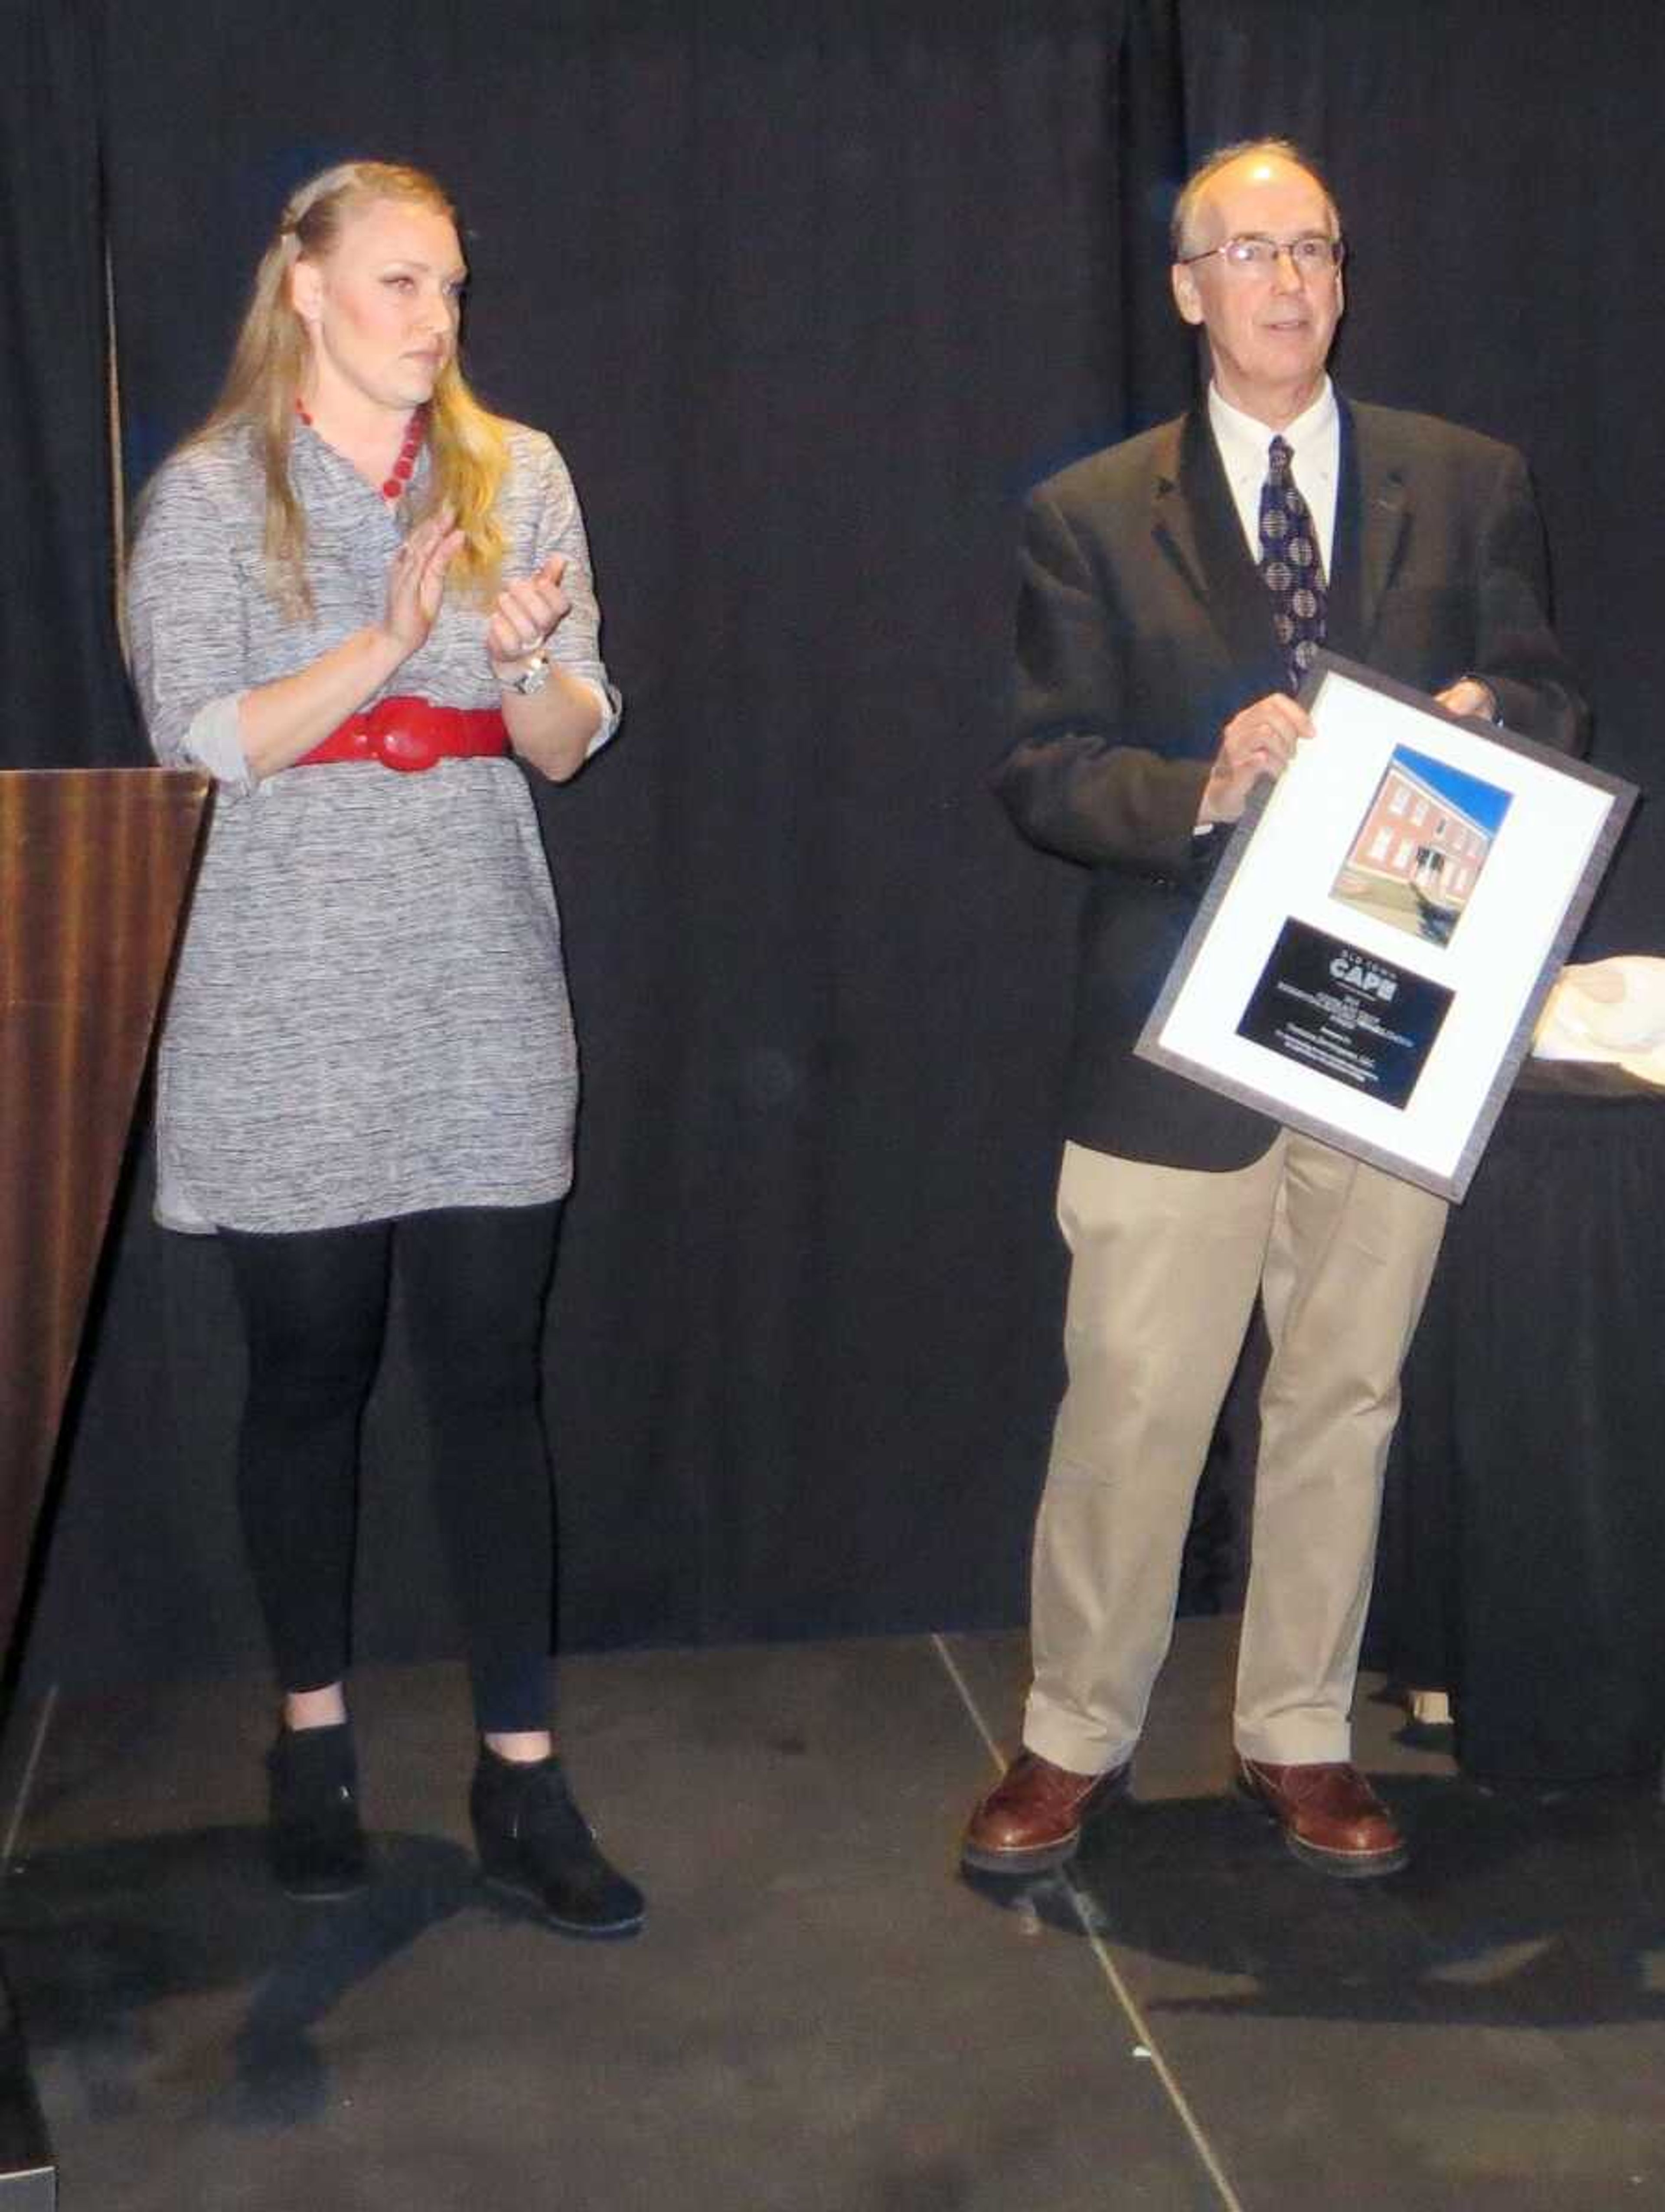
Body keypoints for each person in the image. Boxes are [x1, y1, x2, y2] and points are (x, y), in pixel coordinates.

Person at [962, 140, 1587, 1882]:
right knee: (1139, 1396)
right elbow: (1041, 772)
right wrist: (1205, 781)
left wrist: (1484, 714)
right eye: (1249, 253)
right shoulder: (1086, 515)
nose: (1289, 282)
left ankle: (1298, 1729)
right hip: (1172, 1037)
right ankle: (1075, 1729)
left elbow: (1550, 689)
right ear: (1187, 289)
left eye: (1314, 248)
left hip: (1388, 1019)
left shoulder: (1469, 483)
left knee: (1345, 1388)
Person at [126, 160, 643, 1936]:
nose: (438, 321)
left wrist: (520, 667)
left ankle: (521, 1773)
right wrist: (392, 642)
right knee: (309, 1374)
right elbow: (205, 736)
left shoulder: (521, 473)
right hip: (284, 988)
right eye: (404, 284)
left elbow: (569, 739)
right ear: (310, 284)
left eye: (452, 289)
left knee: (491, 1381)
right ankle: (315, 1737)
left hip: (479, 975)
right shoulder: (207, 493)